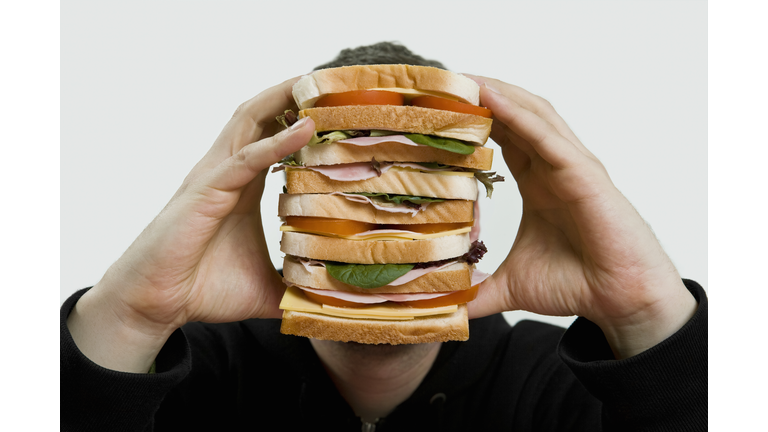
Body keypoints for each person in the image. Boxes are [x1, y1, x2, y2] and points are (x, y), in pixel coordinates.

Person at [61, 42, 707, 431]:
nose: (381, 214)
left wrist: (646, 311)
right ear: (287, 206)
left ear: (472, 218)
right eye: (347, 173)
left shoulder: (565, 390)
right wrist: (130, 319)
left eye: (423, 180)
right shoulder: (188, 376)